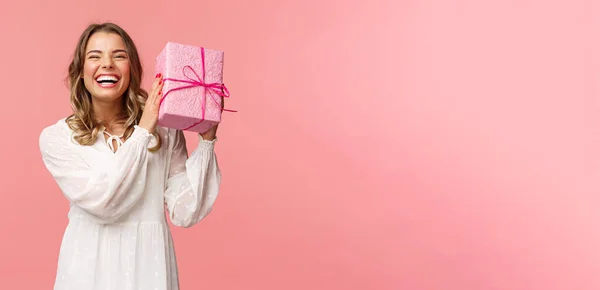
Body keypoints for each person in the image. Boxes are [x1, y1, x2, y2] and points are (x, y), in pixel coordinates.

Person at [38, 22, 222, 290]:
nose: (107, 64)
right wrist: (143, 130)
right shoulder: (58, 138)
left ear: (132, 69)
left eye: (119, 56)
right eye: (95, 56)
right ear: (80, 72)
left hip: (150, 268)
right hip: (88, 271)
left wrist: (206, 140)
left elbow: (186, 212)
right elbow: (104, 204)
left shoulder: (166, 132)